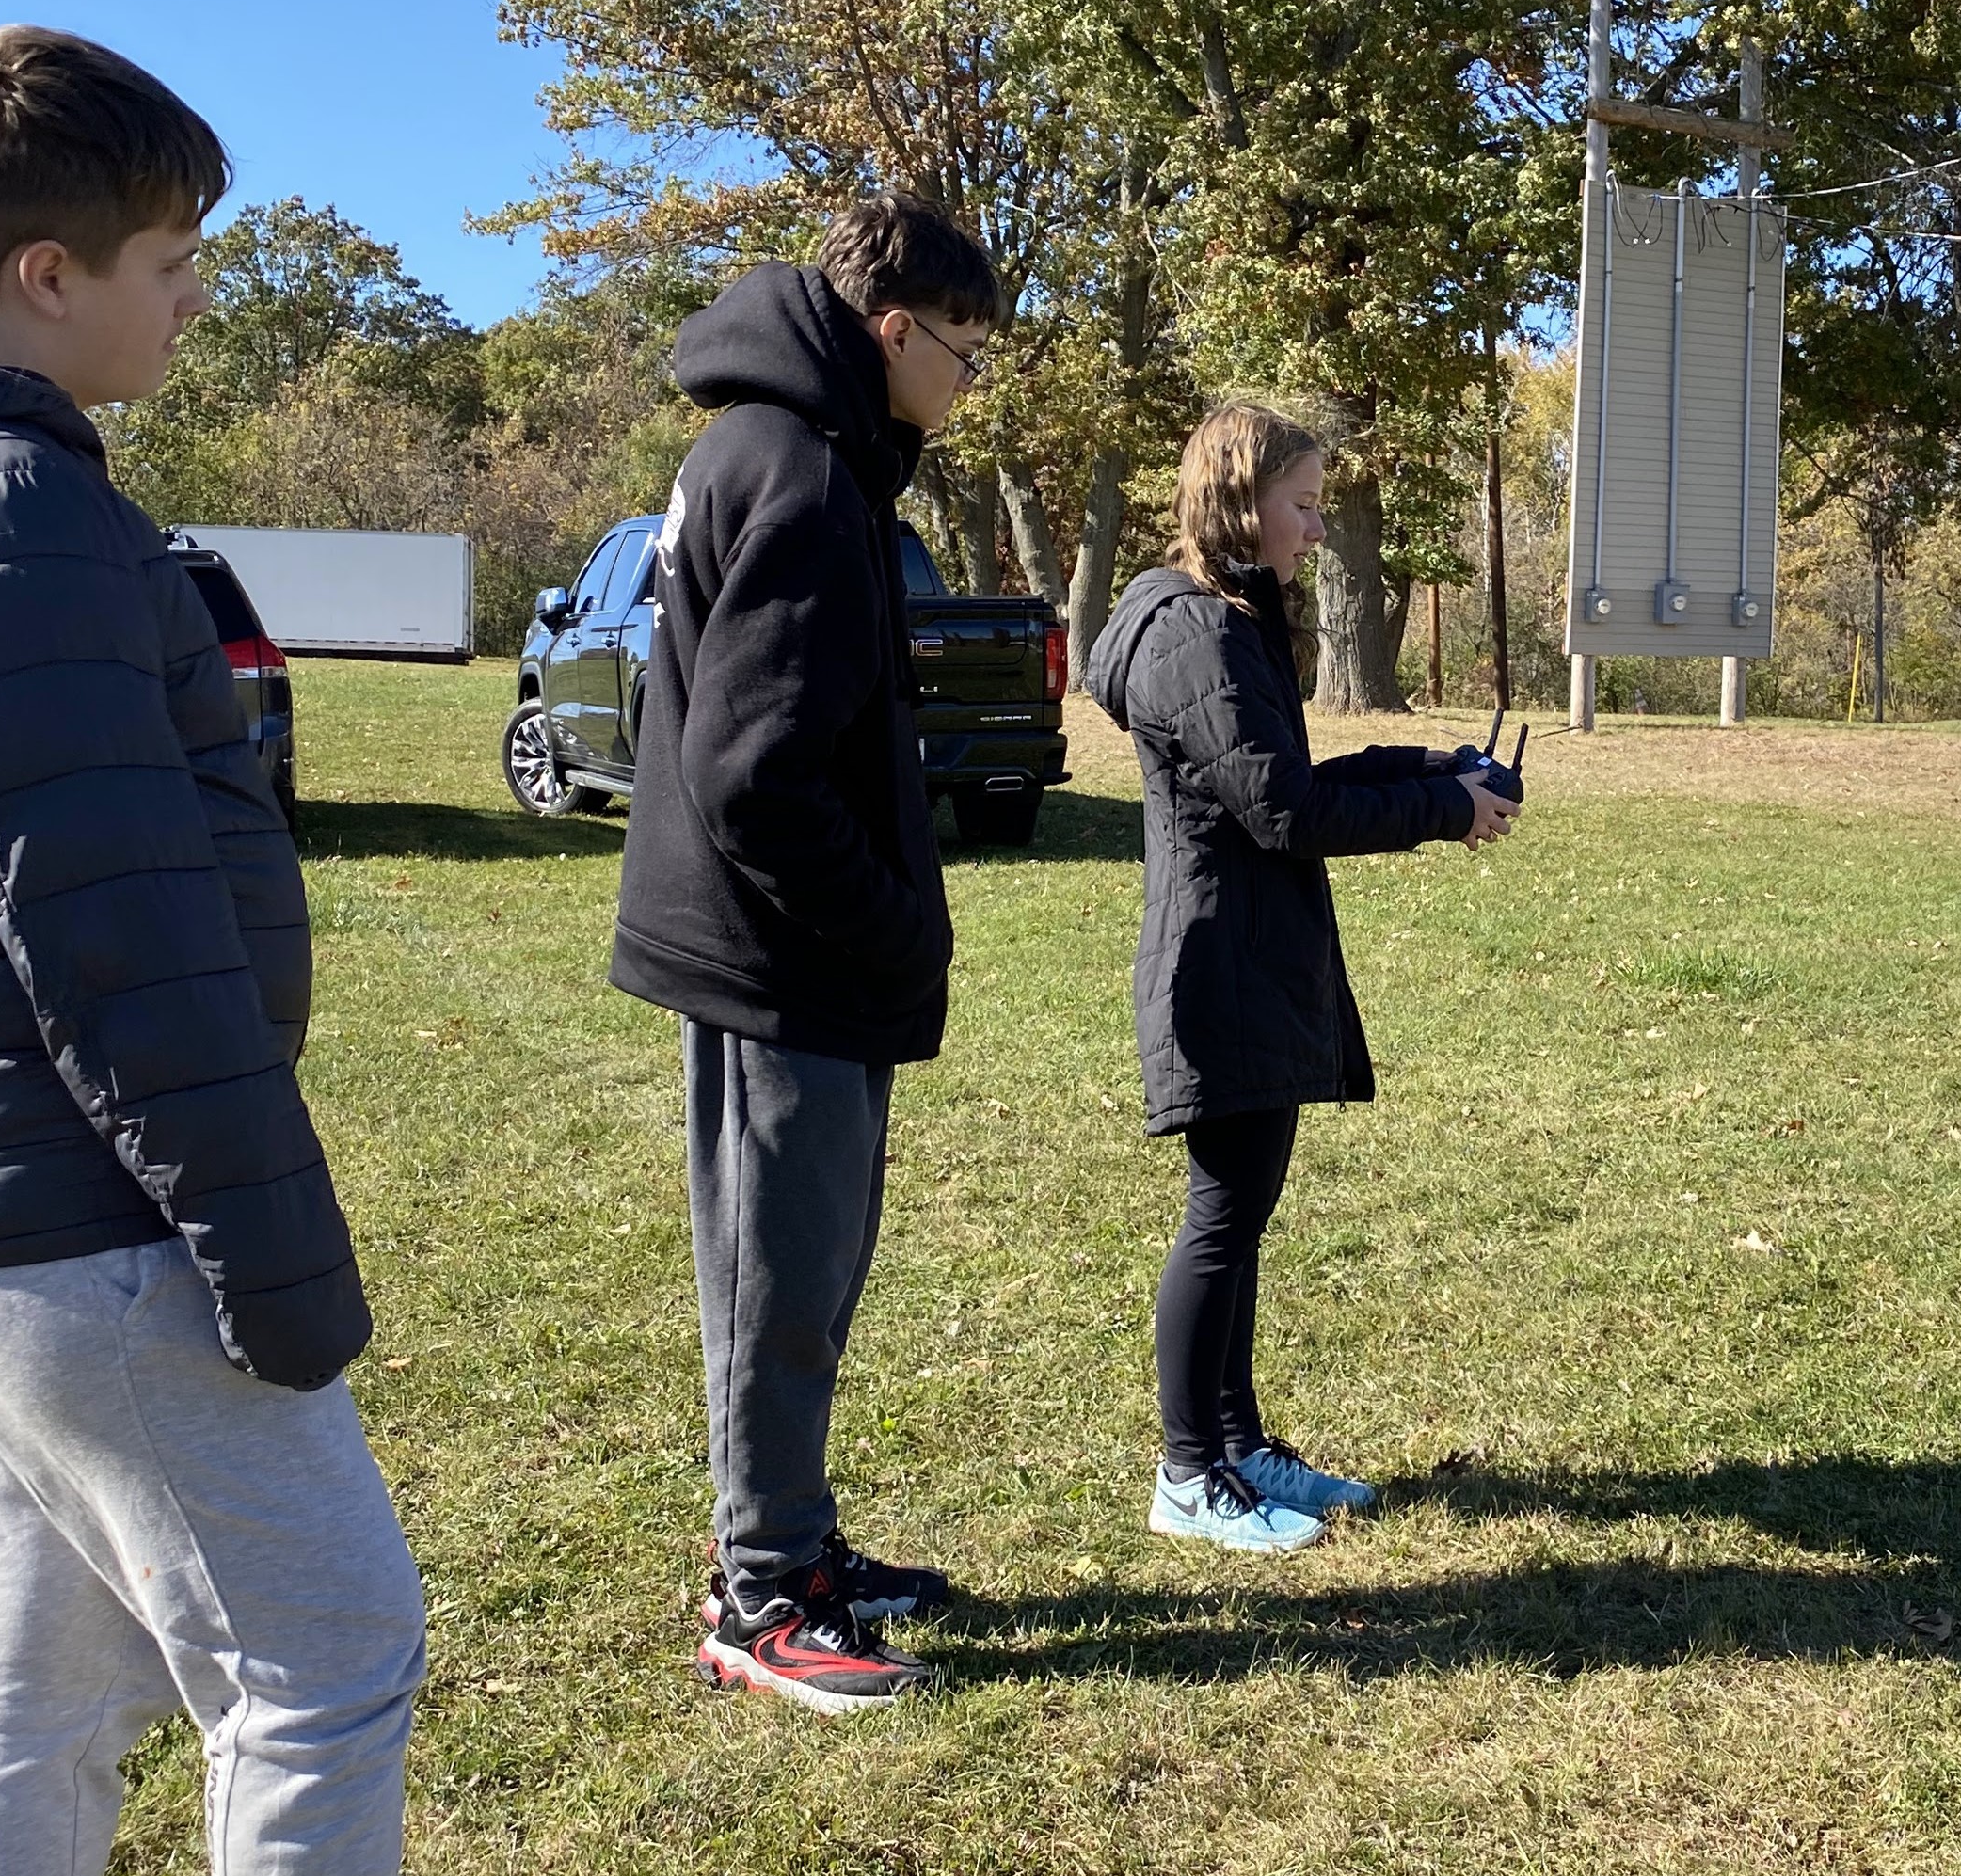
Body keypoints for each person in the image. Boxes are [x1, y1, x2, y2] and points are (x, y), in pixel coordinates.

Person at [0, 28, 426, 1876]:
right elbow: (115, 941)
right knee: (330, 1650)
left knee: (26, 1686)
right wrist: (266, 1259)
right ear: (48, 273)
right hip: (89, 1215)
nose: (197, 288)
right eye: (171, 251)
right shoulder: (6, 508)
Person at [612, 192, 997, 1711]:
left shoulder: (778, 450)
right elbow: (747, 767)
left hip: (790, 957)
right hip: (785, 965)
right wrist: (888, 919)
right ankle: (762, 1595)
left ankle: (798, 1543)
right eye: (962, 354)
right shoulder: (796, 471)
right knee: (778, 1273)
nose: (967, 386)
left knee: (808, 1259)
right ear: (891, 330)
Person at [1084, 403, 1522, 1553]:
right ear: (1242, 501)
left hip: (1253, 956)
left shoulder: (1227, 622)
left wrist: (1424, 764)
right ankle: (1188, 1475)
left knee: (1245, 1214)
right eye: (1306, 503)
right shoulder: (1198, 636)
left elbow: (1282, 770)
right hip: (1220, 967)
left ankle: (1237, 1441)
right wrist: (1439, 811)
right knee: (1221, 1220)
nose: (1317, 528)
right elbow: (1284, 811)